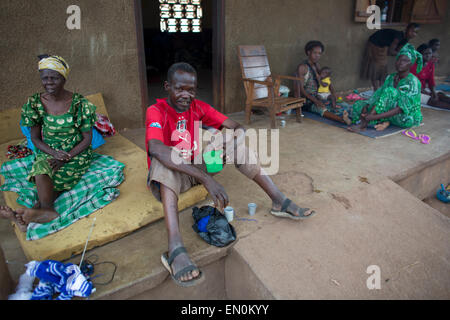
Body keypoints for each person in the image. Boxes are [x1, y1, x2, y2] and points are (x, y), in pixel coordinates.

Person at [146, 62, 316, 286]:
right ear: (167, 86)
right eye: (179, 89)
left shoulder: (199, 107)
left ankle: (278, 201)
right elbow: (156, 149)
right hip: (172, 178)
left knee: (238, 146)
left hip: (196, 168)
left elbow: (237, 127)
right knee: (162, 161)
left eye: (191, 89)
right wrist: (207, 179)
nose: (186, 95)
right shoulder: (155, 111)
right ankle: (175, 248)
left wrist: (223, 140)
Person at [0, 55, 98, 232]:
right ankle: (43, 211)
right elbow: (36, 139)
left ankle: (34, 211)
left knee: (57, 177)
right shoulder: (35, 103)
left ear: (64, 78)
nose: (49, 82)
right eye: (45, 78)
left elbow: (87, 139)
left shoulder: (79, 104)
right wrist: (54, 154)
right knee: (41, 168)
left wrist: (66, 157)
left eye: (55, 78)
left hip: (76, 153)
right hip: (50, 151)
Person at [349, 43, 423, 133]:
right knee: (358, 105)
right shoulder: (391, 77)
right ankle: (380, 120)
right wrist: (367, 105)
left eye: (405, 60)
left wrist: (373, 116)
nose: (400, 63)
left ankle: (366, 122)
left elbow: (401, 108)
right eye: (399, 59)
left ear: (411, 64)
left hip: (406, 116)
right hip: (390, 112)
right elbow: (379, 94)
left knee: (390, 91)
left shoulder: (413, 82)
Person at [295, 41, 352, 125]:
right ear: (308, 52)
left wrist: (333, 93)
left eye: (319, 53)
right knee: (321, 108)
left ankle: (345, 114)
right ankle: (341, 119)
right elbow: (302, 90)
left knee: (342, 104)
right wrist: (316, 101)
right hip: (308, 100)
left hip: (319, 96)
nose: (317, 55)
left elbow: (326, 80)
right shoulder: (303, 67)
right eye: (315, 53)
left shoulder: (316, 65)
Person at [361, 23, 420, 90]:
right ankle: (376, 90)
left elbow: (398, 51)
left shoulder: (405, 39)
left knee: (383, 68)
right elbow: (391, 52)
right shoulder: (398, 37)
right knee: (376, 67)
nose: (413, 34)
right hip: (375, 43)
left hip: (383, 45)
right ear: (406, 29)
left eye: (416, 32)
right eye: (412, 31)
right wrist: (404, 54)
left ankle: (381, 89)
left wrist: (403, 53)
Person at [412, 44, 450, 109]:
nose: (428, 56)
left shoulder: (430, 65)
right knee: (433, 101)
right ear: (419, 54)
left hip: (424, 89)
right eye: (425, 54)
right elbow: (413, 84)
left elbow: (431, 82)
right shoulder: (413, 65)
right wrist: (428, 93)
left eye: (430, 53)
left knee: (440, 96)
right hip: (413, 91)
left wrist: (433, 93)